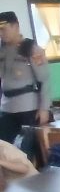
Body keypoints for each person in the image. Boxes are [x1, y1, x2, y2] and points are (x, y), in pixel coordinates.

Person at [0, 11, 51, 143]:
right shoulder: (2, 50)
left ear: (16, 26)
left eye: (3, 29)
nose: (1, 33)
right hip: (6, 109)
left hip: (28, 108)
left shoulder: (31, 49)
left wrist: (44, 109)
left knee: (29, 150)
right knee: (6, 151)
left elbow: (45, 80)